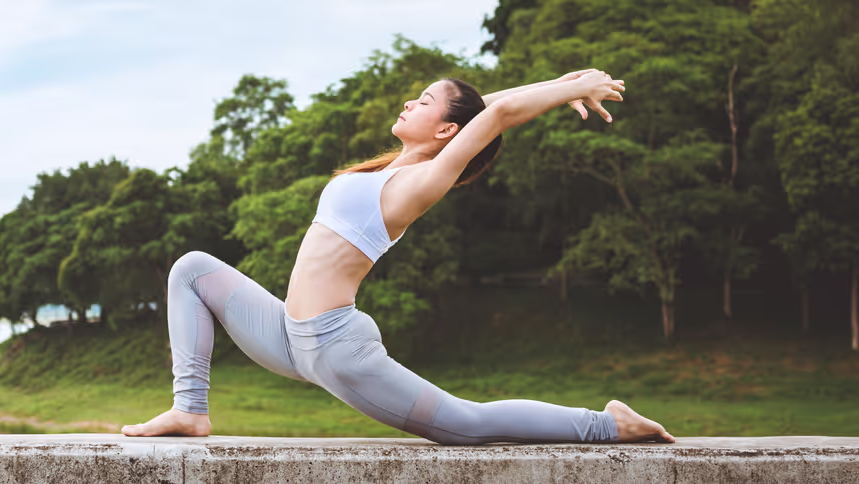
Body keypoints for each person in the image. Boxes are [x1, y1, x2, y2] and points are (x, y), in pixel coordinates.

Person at [121, 69, 676, 445]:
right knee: (191, 269)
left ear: (447, 130)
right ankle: (189, 410)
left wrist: (570, 87)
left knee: (467, 424)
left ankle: (607, 425)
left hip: (336, 349)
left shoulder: (421, 182)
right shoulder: (389, 170)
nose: (410, 102)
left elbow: (498, 113)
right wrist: (563, 84)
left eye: (425, 101)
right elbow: (488, 109)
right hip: (288, 337)